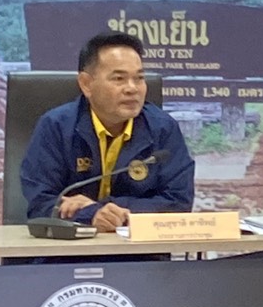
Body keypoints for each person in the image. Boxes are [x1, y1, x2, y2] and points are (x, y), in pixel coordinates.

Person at [20, 32, 195, 233]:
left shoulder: (163, 129)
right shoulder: (56, 127)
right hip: (69, 248)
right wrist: (91, 216)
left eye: (139, 78)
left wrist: (101, 208)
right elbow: (40, 204)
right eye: (119, 78)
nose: (132, 89)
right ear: (86, 84)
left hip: (138, 248)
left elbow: (179, 204)